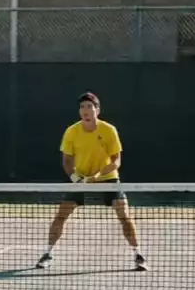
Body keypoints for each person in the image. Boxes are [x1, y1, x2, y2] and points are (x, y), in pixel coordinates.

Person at [36, 92, 146, 272]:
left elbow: (116, 161)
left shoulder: (109, 130)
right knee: (61, 216)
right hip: (80, 179)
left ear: (97, 110)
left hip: (108, 178)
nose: (85, 111)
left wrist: (98, 176)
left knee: (125, 216)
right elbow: (67, 161)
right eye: (82, 107)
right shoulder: (71, 131)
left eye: (89, 107)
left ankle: (138, 255)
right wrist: (75, 178)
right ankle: (48, 253)